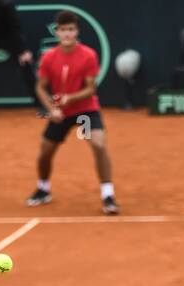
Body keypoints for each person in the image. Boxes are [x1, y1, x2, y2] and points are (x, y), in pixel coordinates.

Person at [28, 10, 118, 215]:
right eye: (63, 30)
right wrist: (52, 110)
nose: (67, 34)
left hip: (85, 111)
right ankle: (43, 189)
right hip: (60, 113)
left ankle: (108, 195)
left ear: (76, 32)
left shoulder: (88, 55)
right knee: (45, 152)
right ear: (57, 32)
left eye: (71, 30)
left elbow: (90, 89)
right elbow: (40, 88)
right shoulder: (49, 57)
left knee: (98, 144)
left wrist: (71, 98)